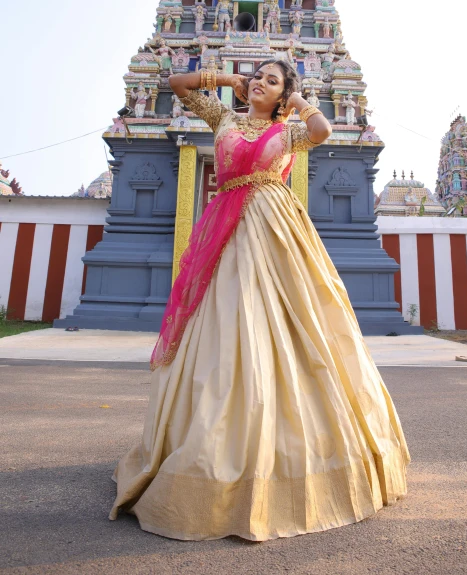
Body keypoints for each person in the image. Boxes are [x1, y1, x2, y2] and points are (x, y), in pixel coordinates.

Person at [109, 59, 410, 541]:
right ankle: (207, 448)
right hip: (225, 232)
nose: (260, 83)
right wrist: (225, 81)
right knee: (225, 324)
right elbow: (175, 84)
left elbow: (323, 130)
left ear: (284, 93)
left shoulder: (288, 133)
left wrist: (297, 102)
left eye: (272, 80)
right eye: (257, 77)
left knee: (293, 326)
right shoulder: (223, 119)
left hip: (275, 232)